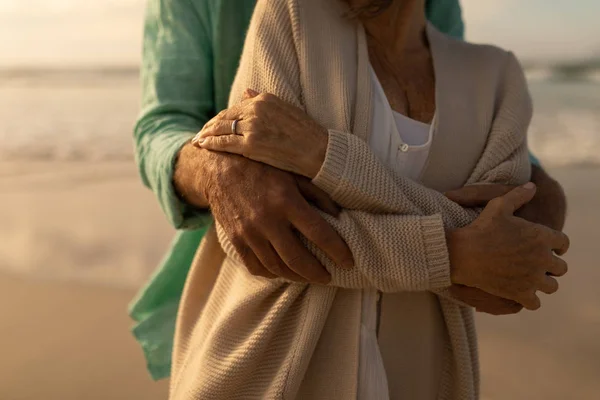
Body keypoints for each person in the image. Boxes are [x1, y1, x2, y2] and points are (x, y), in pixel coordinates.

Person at [131, 0, 569, 397]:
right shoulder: (290, 16)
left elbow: (493, 240)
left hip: (422, 369)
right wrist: (453, 253)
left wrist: (324, 155)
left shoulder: (491, 68)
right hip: (266, 346)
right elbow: (269, 229)